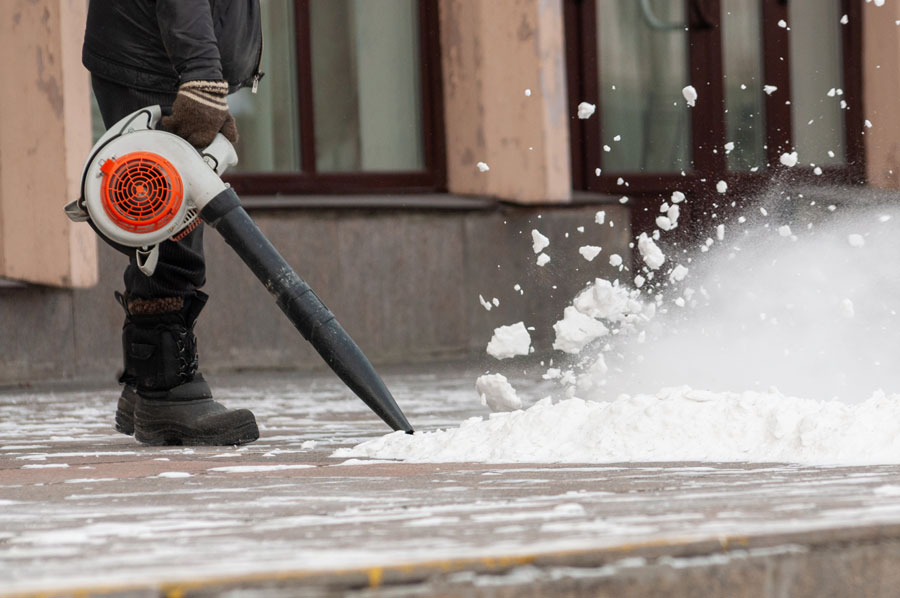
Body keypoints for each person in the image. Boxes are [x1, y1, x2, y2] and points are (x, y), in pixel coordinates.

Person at [82, 0, 263, 446]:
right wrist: (201, 74)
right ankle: (167, 391)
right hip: (153, 53)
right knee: (163, 216)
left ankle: (145, 379)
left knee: (164, 215)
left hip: (165, 50)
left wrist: (208, 74)